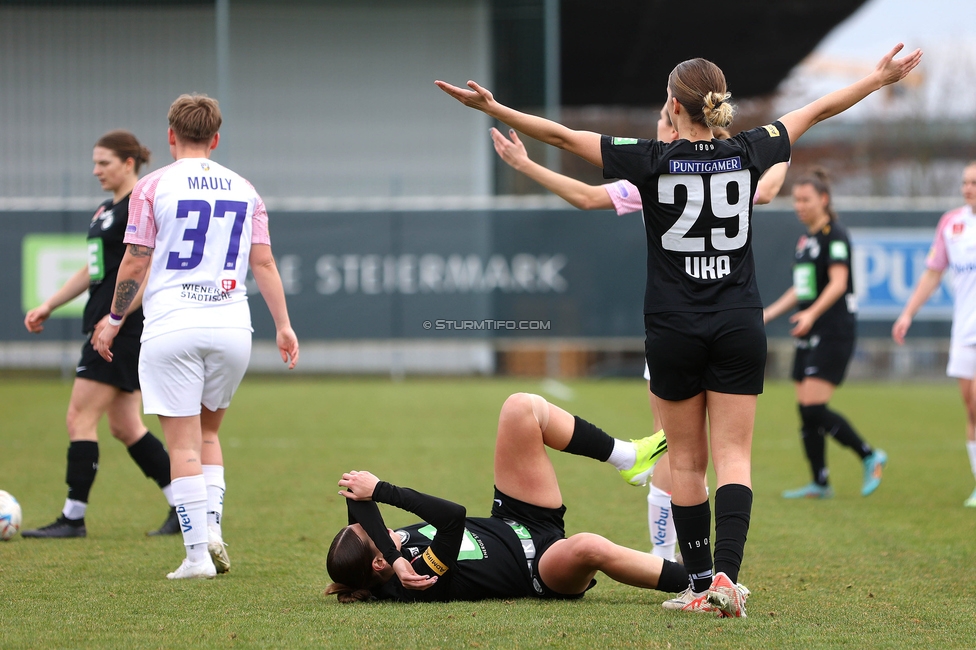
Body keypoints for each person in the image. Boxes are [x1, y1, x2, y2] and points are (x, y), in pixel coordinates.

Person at [437, 43, 921, 617]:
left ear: (672, 103)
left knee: (687, 463)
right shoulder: (748, 150)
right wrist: (879, 77)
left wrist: (495, 108)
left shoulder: (651, 160)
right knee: (735, 458)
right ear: (719, 103)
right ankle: (726, 581)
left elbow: (564, 137)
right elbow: (817, 109)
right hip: (740, 322)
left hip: (673, 328)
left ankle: (697, 584)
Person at [491, 110, 788, 562]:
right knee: (704, 453)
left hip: (677, 321)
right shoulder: (732, 160)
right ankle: (678, 555)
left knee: (673, 449)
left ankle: (671, 556)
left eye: (659, 121)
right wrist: (783, 148)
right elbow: (764, 190)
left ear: (674, 125)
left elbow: (585, 193)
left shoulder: (653, 167)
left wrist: (526, 164)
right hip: (730, 318)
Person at [93, 94, 300, 580]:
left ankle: (196, 557)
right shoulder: (244, 188)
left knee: (182, 444)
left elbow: (136, 259)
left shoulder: (152, 186)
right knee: (209, 434)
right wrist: (284, 325)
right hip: (233, 327)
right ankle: (213, 532)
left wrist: (115, 317)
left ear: (170, 135)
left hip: (173, 326)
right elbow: (264, 262)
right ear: (216, 138)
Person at [325, 393, 713, 609]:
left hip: (515, 515)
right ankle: (704, 584)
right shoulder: (416, 579)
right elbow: (451, 518)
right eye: (375, 536)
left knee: (519, 408)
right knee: (589, 547)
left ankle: (627, 458)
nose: (382, 526)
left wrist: (387, 545)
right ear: (378, 563)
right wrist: (385, 491)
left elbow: (356, 503)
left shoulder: (386, 556)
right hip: (539, 566)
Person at [21, 130, 178, 539]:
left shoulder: (137, 208)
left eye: (104, 162)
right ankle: (184, 507)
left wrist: (118, 316)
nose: (96, 171)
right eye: (94, 163)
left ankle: (73, 517)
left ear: (129, 162)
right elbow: (90, 269)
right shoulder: (104, 211)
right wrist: (50, 304)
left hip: (118, 329)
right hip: (106, 325)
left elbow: (148, 268)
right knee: (125, 427)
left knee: (79, 418)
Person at [763, 169, 887, 499]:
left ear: (824, 200)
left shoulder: (835, 235)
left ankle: (869, 455)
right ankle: (820, 482)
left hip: (834, 330)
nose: (799, 206)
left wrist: (812, 313)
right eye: (796, 200)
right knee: (805, 410)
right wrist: (771, 312)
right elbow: (801, 288)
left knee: (815, 407)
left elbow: (838, 284)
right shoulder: (806, 241)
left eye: (806, 199)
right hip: (810, 329)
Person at [893, 161, 976, 507]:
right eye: (965, 182)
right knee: (971, 410)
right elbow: (932, 273)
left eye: (974, 182)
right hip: (965, 329)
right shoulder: (951, 223)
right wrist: (908, 313)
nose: (968, 187)